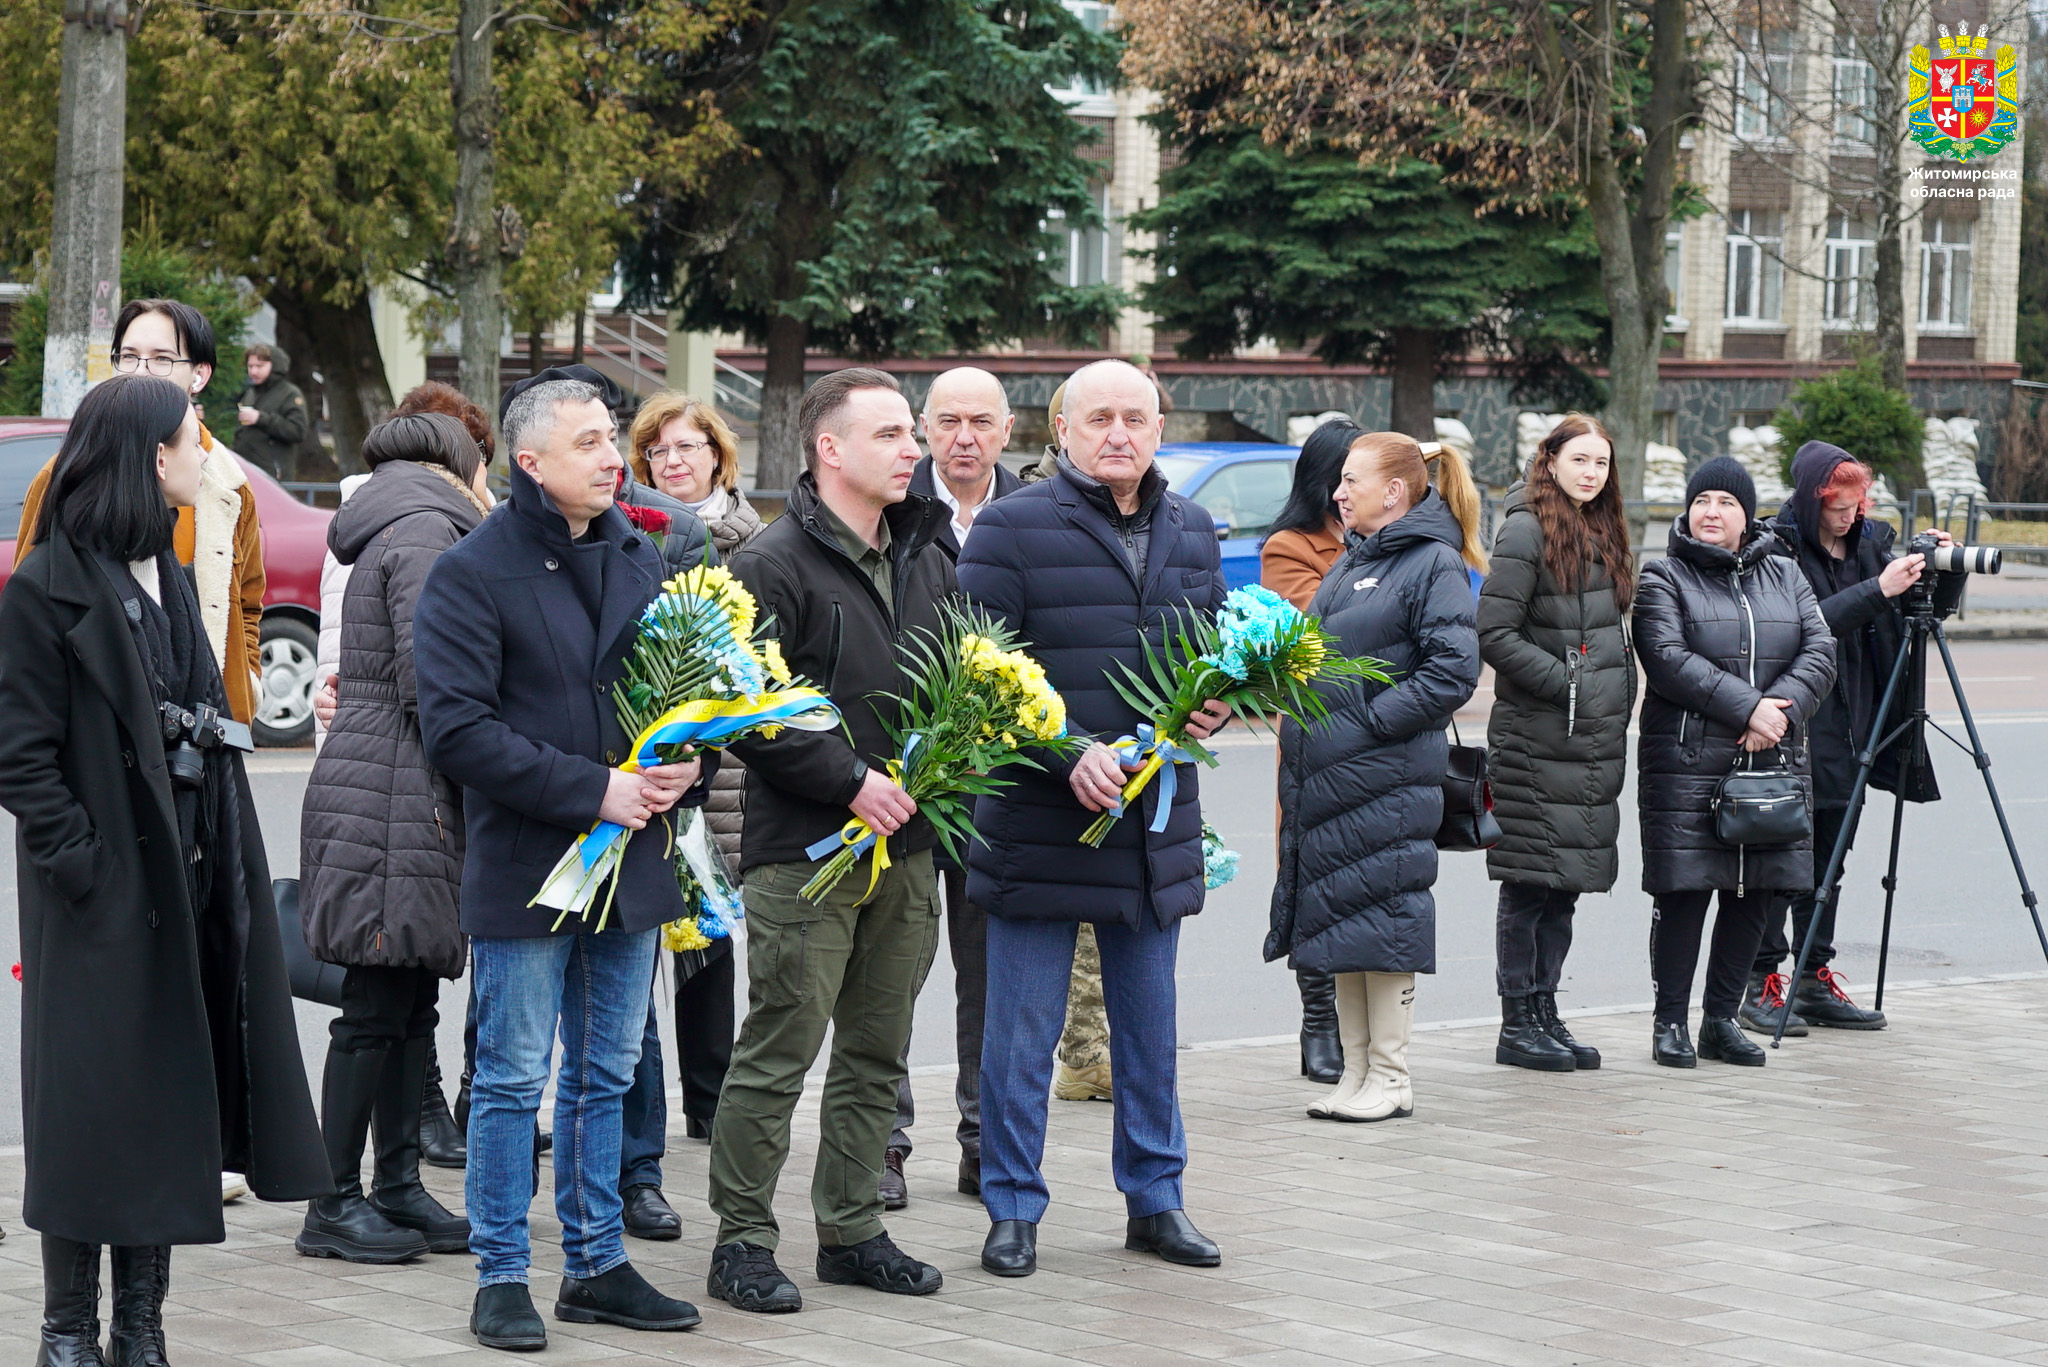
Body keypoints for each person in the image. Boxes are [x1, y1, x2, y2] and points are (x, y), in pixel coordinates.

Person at [0, 375, 328, 1366]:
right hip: (96, 902)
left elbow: (197, 711)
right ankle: (67, 1331)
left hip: (187, 885)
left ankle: (141, 1329)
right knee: (89, 1112)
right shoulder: (43, 585)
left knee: (166, 1106)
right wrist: (85, 868)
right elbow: (20, 754)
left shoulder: (172, 571)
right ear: (150, 455)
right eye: (195, 438)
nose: (209, 455)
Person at [413, 377, 711, 1350]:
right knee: (508, 1078)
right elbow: (457, 730)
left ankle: (596, 1262)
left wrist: (684, 762)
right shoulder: (471, 570)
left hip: (631, 863)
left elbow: (677, 696)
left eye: (609, 437)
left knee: (607, 1070)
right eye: (586, 442)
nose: (610, 454)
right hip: (530, 866)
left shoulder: (644, 555)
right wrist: (594, 789)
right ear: (529, 462)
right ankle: (502, 1272)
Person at [957, 358, 1232, 1280]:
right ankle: (1012, 1206)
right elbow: (981, 673)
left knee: (1149, 1030)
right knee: (1020, 1034)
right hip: (1041, 818)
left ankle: (1157, 1199)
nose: (1119, 433)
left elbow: (1214, 652)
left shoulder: (1194, 526)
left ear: (1160, 427)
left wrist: (1214, 706)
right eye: (1100, 417)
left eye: (1136, 417)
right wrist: (1064, 752)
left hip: (1152, 826)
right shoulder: (1009, 526)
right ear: (1061, 429)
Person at [704, 367, 955, 1314]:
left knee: (876, 1053)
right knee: (780, 1047)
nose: (912, 449)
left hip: (911, 848)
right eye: (891, 433)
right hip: (806, 855)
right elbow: (742, 713)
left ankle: (850, 1226)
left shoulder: (928, 550)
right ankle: (742, 1239)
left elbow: (963, 677)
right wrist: (850, 781)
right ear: (830, 449)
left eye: (910, 434)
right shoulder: (767, 563)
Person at [295, 412, 493, 1267]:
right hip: (394, 791)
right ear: (458, 463)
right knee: (375, 1004)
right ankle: (333, 1201)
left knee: (411, 995)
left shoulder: (399, 517)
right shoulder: (423, 528)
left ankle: (398, 1184)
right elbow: (434, 675)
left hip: (390, 780)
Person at [1265, 432, 1484, 1123]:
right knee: (1347, 931)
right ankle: (1356, 1073)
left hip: (1385, 780)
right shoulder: (1359, 560)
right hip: (1335, 783)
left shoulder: (1432, 562)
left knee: (1386, 926)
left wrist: (1370, 722)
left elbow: (1452, 669)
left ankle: (1390, 1077)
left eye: (1351, 479)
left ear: (1393, 491)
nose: (1338, 491)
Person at [1633, 457, 1836, 1069]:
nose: (1711, 512)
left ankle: (1720, 1019)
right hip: (1689, 762)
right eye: (1702, 501)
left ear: (1747, 514)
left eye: (1725, 502)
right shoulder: (1662, 576)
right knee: (1686, 893)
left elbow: (1821, 648)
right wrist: (1750, 710)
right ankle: (1670, 1022)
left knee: (1757, 894)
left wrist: (1781, 710)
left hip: (1771, 762)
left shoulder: (1785, 572)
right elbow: (1666, 657)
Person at [612, 392, 758, 1243]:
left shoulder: (746, 538)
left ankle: (709, 1097)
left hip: (722, 772)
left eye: (687, 447)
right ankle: (646, 1128)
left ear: (717, 456)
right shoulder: (637, 529)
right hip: (658, 768)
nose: (673, 461)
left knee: (705, 938)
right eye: (658, 450)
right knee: (644, 951)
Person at [882, 366, 1024, 1209]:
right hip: (902, 783)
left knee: (993, 972)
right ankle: (883, 1141)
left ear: (1009, 432)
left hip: (1002, 785)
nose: (964, 436)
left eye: (981, 421)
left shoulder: (1038, 516)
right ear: (924, 430)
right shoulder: (893, 511)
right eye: (947, 421)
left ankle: (983, 1140)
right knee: (892, 968)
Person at [1740, 441, 1941, 1036]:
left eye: (1859, 505)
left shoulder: (1872, 543)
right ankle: (1760, 981)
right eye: (1839, 507)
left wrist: (1937, 579)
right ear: (1811, 500)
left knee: (1830, 861)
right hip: (1798, 724)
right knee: (1782, 857)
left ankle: (1810, 977)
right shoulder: (1777, 546)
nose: (1851, 516)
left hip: (1859, 726)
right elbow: (1806, 624)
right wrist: (1878, 588)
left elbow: (1913, 622)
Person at [17, 299, 268, 733]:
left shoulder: (229, 485)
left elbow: (247, 605)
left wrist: (244, 689)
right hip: (105, 737)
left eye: (162, 359)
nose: (140, 371)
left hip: (206, 734)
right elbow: (31, 612)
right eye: (129, 357)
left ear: (200, 375)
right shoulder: (64, 476)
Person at [1479, 414, 1636, 1073]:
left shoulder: (1598, 527)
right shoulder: (1526, 526)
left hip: (1586, 744)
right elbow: (1493, 631)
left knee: (1564, 885)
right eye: (1580, 459)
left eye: (1601, 462)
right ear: (1551, 460)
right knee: (1528, 883)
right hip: (1534, 740)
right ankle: (1517, 1022)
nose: (1591, 472)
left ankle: (1545, 1010)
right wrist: (1564, 685)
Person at [1258, 416, 1363, 1085]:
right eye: (1349, 475)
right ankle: (1319, 1020)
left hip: (1388, 737)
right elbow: (1323, 639)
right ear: (1325, 480)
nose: (1357, 490)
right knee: (1317, 879)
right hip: (1318, 741)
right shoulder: (1291, 546)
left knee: (1376, 886)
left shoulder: (1399, 540)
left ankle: (1369, 1028)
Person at [231, 342, 311, 479]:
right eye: (250, 366)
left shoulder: (290, 393)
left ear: (275, 367)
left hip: (274, 476)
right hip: (246, 473)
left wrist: (260, 419)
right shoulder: (250, 393)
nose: (253, 371)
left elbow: (298, 431)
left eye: (259, 366)